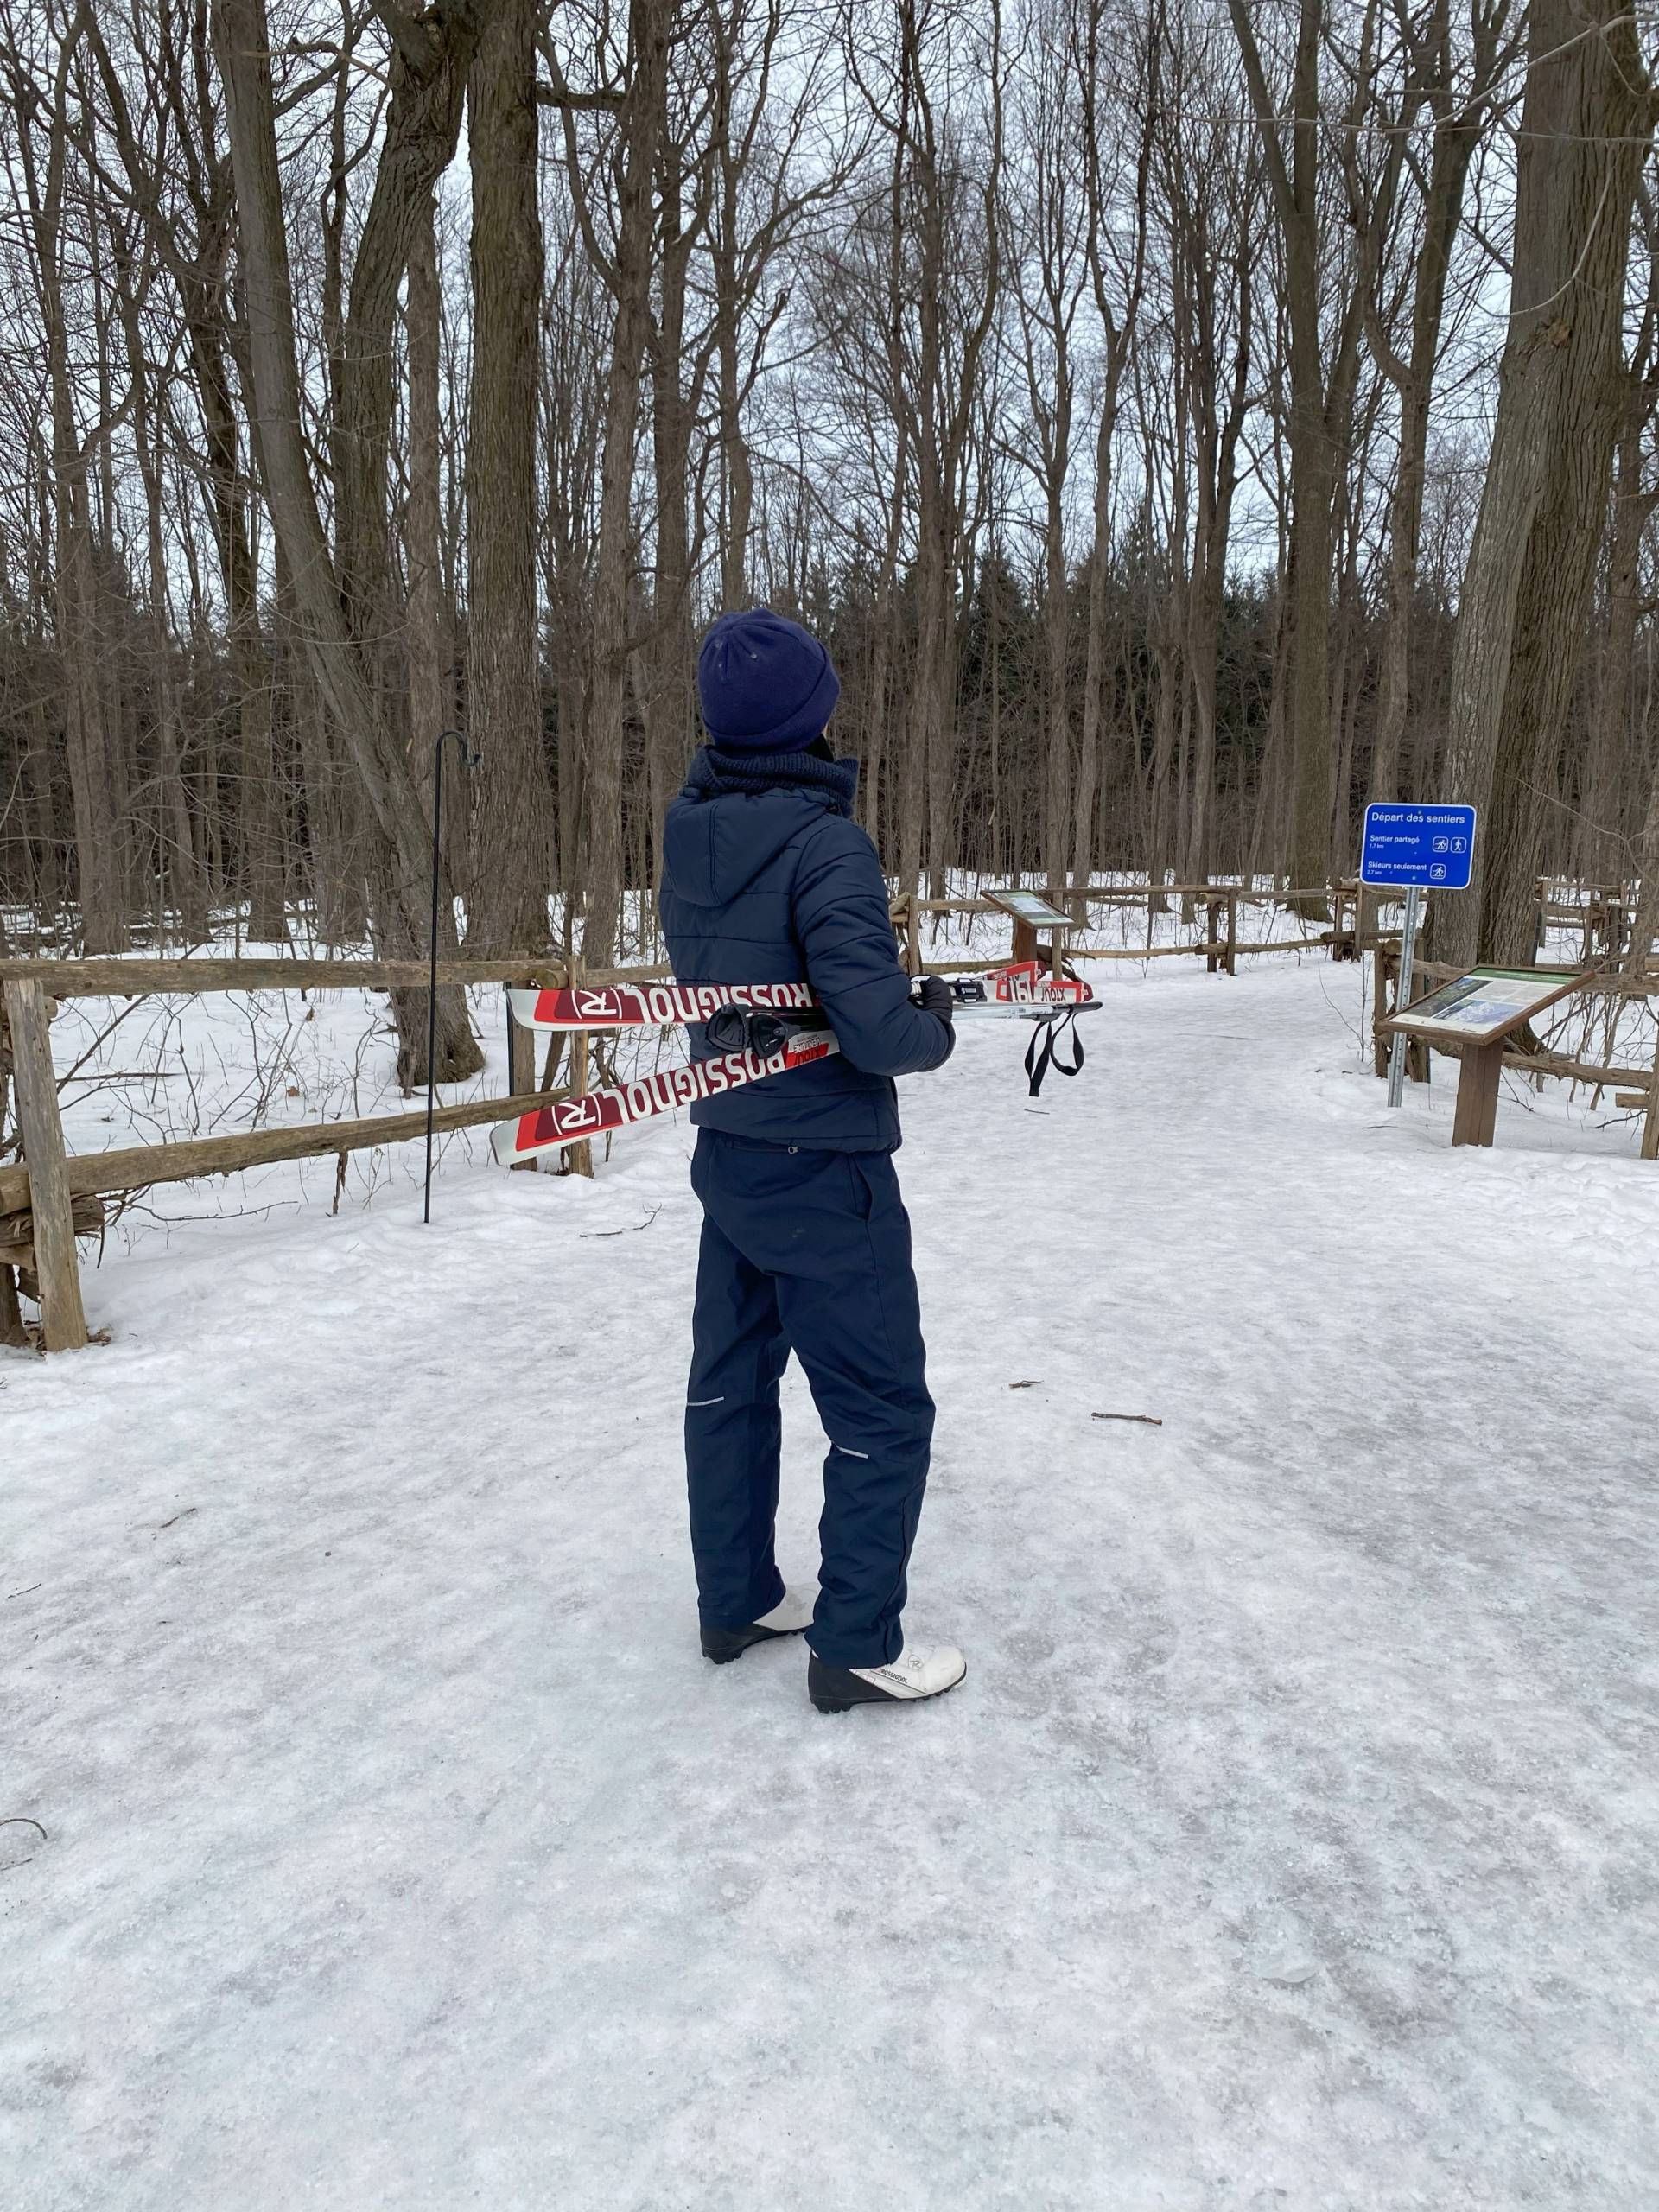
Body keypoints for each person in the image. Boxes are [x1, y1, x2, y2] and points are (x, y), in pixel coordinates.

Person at [658, 607, 966, 1714]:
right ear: (814, 716)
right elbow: (877, 1029)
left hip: (729, 1148)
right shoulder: (825, 843)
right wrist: (930, 1025)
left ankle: (735, 1596)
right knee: (883, 1407)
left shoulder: (686, 830)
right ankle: (854, 1643)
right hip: (827, 1163)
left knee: (731, 1385)